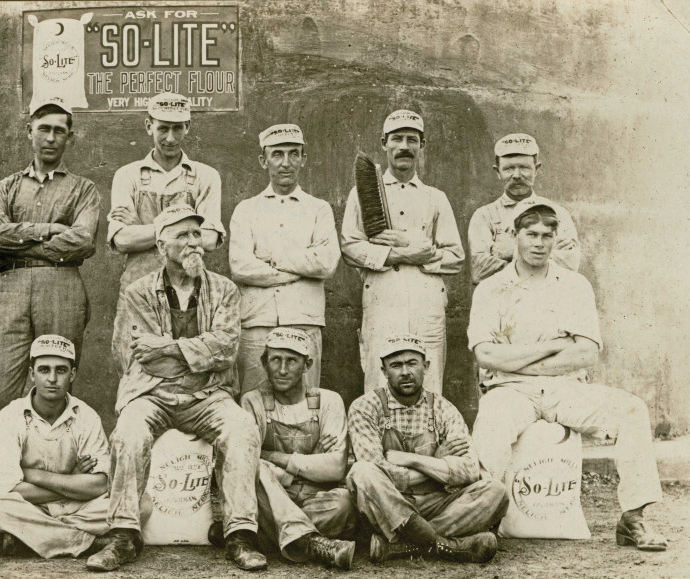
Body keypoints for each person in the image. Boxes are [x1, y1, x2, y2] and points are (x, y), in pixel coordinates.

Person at [469, 202, 667, 551]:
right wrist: (551, 347)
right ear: (514, 236)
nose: (539, 243)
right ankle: (482, 518)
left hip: (566, 387)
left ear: (555, 238)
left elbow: (585, 353)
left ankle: (633, 518)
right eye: (531, 234)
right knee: (490, 426)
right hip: (510, 389)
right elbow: (485, 354)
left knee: (632, 410)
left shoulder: (574, 285)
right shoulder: (491, 288)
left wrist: (515, 359)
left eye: (547, 235)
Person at [88, 204, 266, 572]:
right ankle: (123, 534)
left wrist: (168, 349)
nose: (193, 243)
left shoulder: (225, 290)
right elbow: (138, 356)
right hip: (152, 392)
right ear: (160, 245)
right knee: (129, 432)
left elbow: (226, 349)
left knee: (242, 428)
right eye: (182, 235)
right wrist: (193, 354)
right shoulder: (138, 292)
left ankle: (239, 535)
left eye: (196, 234)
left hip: (208, 395)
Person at [0, 97, 99, 454]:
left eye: (58, 131)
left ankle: (55, 469)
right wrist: (48, 230)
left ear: (70, 137)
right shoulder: (8, 186)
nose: (50, 138)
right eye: (43, 129)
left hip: (62, 284)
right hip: (13, 287)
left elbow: (82, 240)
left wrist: (21, 239)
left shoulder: (83, 189)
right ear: (29, 132)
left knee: (56, 383)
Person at [347, 334, 508, 564]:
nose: (405, 372)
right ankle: (446, 544)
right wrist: (437, 464)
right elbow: (377, 470)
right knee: (361, 472)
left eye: (412, 363)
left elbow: (470, 470)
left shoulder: (443, 408)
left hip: (436, 503)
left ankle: (405, 544)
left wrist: (411, 459)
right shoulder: (365, 407)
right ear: (384, 371)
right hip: (389, 504)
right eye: (396, 365)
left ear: (426, 366)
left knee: (495, 491)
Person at [340, 109, 465, 394]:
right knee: (378, 376)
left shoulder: (436, 197)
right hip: (382, 296)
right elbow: (350, 247)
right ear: (384, 143)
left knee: (429, 380)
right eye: (397, 139)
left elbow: (455, 256)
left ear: (422, 145)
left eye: (412, 139)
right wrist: (406, 253)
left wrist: (411, 247)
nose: (404, 146)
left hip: (427, 300)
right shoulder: (363, 192)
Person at [229, 125, 339, 395]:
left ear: (304, 158)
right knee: (254, 402)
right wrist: (299, 271)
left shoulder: (319, 209)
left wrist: (274, 259)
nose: (286, 163)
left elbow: (325, 262)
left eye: (294, 154)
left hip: (304, 319)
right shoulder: (246, 210)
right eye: (277, 154)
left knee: (306, 402)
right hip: (257, 323)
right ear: (263, 160)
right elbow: (241, 266)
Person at [0, 335, 110, 559]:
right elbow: (6, 488)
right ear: (31, 374)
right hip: (33, 507)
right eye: (44, 370)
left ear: (73, 375)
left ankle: (33, 537)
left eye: (61, 370)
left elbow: (100, 485)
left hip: (76, 508)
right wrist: (72, 479)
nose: (52, 378)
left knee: (139, 503)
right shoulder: (10, 415)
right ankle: (85, 541)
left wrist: (32, 475)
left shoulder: (86, 415)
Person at [238, 328, 356, 569]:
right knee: (255, 468)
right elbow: (251, 461)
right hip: (273, 495)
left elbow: (335, 469)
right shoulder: (253, 401)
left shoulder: (329, 401)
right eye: (275, 360)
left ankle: (276, 534)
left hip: (315, 498)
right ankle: (314, 543)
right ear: (264, 362)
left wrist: (272, 456)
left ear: (307, 365)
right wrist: (312, 461)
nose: (282, 370)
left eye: (291, 361)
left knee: (343, 501)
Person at [108, 92, 223, 292]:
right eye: (163, 128)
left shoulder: (206, 176)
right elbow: (122, 240)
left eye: (177, 128)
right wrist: (187, 233)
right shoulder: (127, 175)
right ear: (148, 126)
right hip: (138, 288)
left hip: (189, 290)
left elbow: (210, 239)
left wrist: (142, 227)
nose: (170, 138)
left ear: (187, 127)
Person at [468, 134, 580, 285]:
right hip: (503, 301)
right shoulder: (484, 216)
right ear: (497, 172)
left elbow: (570, 265)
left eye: (524, 168)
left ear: (536, 169)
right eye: (508, 168)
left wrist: (511, 252)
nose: (516, 175)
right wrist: (547, 256)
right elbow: (480, 271)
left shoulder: (558, 214)